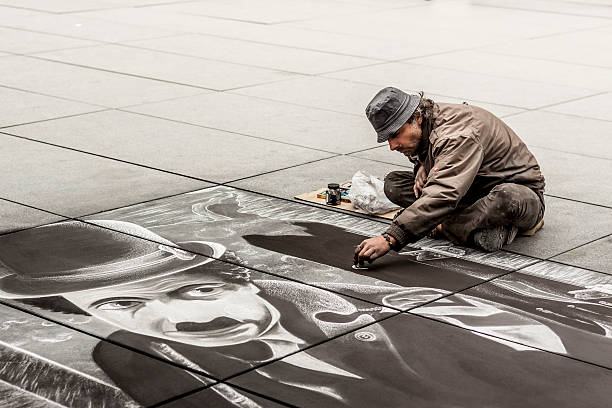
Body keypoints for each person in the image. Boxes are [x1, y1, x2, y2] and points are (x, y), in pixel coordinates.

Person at [2, 219, 601, 407]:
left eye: (194, 292)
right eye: (120, 306)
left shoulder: (398, 313)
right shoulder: (138, 362)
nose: (176, 320)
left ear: (232, 276)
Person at [355, 87, 545, 265]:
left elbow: (443, 192)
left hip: (519, 196)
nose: (392, 145)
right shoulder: (428, 121)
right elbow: (445, 168)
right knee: (393, 184)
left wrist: (391, 237)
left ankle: (444, 226)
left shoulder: (457, 135)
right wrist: (423, 163)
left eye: (395, 134)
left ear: (417, 117)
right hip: (468, 190)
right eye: (388, 138)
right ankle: (465, 226)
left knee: (507, 197)